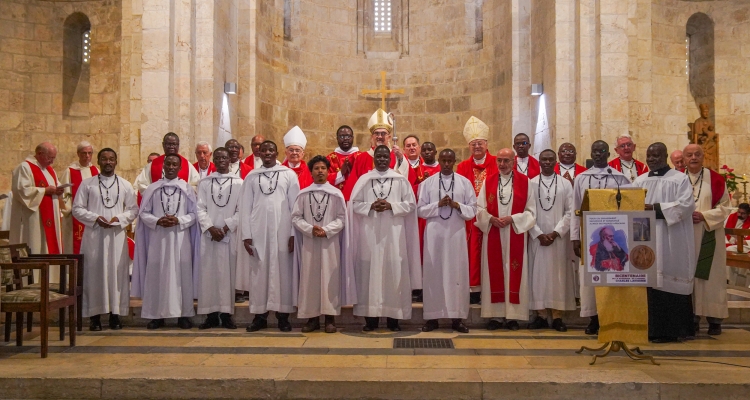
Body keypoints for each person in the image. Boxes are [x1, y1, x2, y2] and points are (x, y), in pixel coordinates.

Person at [349, 145, 421, 332]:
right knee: (368, 274)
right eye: (378, 156)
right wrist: (370, 206)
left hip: (394, 236)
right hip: (369, 236)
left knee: (394, 273)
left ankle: (393, 320)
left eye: (384, 157)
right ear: (374, 159)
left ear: (390, 159)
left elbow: (411, 205)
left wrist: (392, 206)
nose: (381, 159)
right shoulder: (365, 180)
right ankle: (370, 320)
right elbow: (354, 205)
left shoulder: (400, 181)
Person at [633, 142, 696, 343]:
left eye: (656, 156)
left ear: (665, 156)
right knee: (649, 280)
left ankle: (673, 330)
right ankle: (650, 329)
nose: (651, 159)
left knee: (669, 279)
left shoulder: (679, 179)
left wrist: (655, 209)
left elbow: (686, 206)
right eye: (649, 156)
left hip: (672, 239)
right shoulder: (639, 181)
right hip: (646, 238)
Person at [72, 148, 138, 331]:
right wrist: (95, 219)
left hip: (116, 236)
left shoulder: (125, 184)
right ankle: (94, 317)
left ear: (116, 162)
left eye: (111, 159)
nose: (108, 162)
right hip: (94, 237)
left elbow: (133, 209)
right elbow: (77, 208)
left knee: (116, 275)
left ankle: (115, 315)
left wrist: (119, 219)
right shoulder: (88, 184)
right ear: (98, 162)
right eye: (104, 159)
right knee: (94, 275)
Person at [132, 154, 200, 329]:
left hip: (180, 239)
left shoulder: (187, 189)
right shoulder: (152, 189)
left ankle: (183, 315)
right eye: (168, 164)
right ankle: (156, 315)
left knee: (181, 276)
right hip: (158, 240)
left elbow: (194, 214)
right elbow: (143, 213)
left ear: (180, 168)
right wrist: (157, 221)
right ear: (163, 167)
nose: (170, 167)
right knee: (157, 275)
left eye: (174, 165)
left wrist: (179, 220)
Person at [570, 140, 631, 335]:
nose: (598, 154)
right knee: (591, 276)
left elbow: (629, 206)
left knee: (611, 274)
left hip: (613, 236)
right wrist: (575, 237)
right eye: (595, 151)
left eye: (602, 151)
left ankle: (611, 315)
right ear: (591, 153)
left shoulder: (620, 178)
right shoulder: (581, 178)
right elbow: (575, 209)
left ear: (608, 153)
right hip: (590, 235)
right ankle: (593, 318)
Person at [240, 141, 300, 332]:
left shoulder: (289, 175)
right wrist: (246, 235)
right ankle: (260, 316)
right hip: (258, 231)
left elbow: (295, 206)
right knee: (259, 271)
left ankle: (283, 316)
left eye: (270, 150)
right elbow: (244, 207)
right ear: (259, 153)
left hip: (283, 231)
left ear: (276, 153)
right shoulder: (251, 176)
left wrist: (293, 233)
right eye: (264, 150)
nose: (267, 153)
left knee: (282, 271)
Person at [292, 156, 355, 333]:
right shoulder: (303, 194)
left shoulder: (336, 194)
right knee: (310, 279)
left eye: (323, 168)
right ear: (311, 172)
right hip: (310, 243)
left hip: (330, 243)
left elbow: (342, 218)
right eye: (316, 168)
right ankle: (311, 319)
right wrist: (310, 229)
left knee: (330, 279)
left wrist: (326, 230)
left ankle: (330, 318)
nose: (320, 171)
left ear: (328, 171)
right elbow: (296, 217)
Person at [476, 148, 536, 330]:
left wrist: (513, 219)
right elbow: (479, 209)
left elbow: (532, 212)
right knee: (494, 270)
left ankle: (513, 317)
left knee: (514, 270)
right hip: (494, 233)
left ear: (513, 161)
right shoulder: (489, 181)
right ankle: (495, 316)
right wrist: (490, 219)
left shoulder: (526, 183)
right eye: (499, 160)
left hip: (514, 233)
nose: (502, 164)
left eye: (506, 161)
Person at [418, 149, 476, 333]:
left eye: (450, 161)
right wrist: (438, 205)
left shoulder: (464, 183)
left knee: (456, 275)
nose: (446, 164)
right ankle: (432, 317)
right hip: (434, 236)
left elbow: (473, 210)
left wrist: (456, 205)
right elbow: (420, 210)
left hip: (455, 236)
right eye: (443, 160)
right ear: (439, 160)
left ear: (455, 161)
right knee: (434, 274)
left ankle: (456, 318)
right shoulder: (427, 183)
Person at [683, 144, 730, 336]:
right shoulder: (676, 179)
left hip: (709, 234)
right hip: (684, 235)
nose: (693, 157)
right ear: (684, 159)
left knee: (711, 277)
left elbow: (726, 207)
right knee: (689, 276)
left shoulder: (716, 180)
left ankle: (714, 319)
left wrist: (705, 216)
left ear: (703, 157)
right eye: (689, 155)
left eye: (697, 154)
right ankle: (691, 317)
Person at [528, 149, 575, 332]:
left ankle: (557, 316)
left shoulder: (565, 184)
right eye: (543, 160)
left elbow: (570, 212)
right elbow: (527, 212)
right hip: (537, 239)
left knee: (558, 276)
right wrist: (539, 233)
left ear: (555, 161)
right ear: (539, 162)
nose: (547, 162)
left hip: (558, 240)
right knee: (538, 276)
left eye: (550, 160)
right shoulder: (531, 183)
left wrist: (556, 233)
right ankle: (540, 315)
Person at [195, 148, 242, 330]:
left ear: (230, 159)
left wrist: (225, 227)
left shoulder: (239, 183)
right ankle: (211, 315)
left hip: (229, 235)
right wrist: (210, 227)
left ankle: (226, 315)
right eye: (218, 158)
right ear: (213, 160)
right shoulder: (205, 182)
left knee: (228, 276)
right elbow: (200, 208)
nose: (221, 160)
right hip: (209, 236)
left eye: (225, 157)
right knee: (209, 275)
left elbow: (242, 209)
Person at [456, 116, 498, 304]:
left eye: (480, 143)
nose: (477, 147)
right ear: (469, 146)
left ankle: (491, 289)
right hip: (470, 219)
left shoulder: (498, 162)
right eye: (473, 144)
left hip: (492, 217)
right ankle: (474, 290)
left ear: (486, 143)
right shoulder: (463, 166)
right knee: (472, 253)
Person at [342, 109, 414, 199]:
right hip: (368, 202)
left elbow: (409, 180)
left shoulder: (397, 156)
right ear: (372, 136)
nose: (379, 136)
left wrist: (401, 159)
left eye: (383, 133)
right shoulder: (362, 158)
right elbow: (353, 186)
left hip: (392, 201)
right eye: (376, 133)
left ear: (389, 137)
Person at [10, 142, 64, 255]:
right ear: (40, 154)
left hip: (51, 217)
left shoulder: (50, 170)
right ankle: (35, 272)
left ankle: (50, 272)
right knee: (35, 244)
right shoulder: (25, 167)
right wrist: (44, 190)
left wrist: (59, 191)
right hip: (33, 218)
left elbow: (55, 185)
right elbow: (21, 190)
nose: (52, 162)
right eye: (50, 158)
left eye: (54, 158)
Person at [60, 141, 99, 254]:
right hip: (74, 216)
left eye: (89, 153)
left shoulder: (95, 170)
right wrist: (69, 209)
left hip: (92, 215)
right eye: (84, 153)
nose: (87, 156)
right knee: (74, 247)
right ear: (78, 154)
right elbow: (64, 193)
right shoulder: (70, 171)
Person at [134, 132, 200, 196]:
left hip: (180, 204)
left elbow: (196, 184)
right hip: (159, 203)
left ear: (178, 145)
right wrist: (156, 195)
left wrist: (183, 194)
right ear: (163, 145)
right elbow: (142, 184)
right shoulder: (152, 165)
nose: (171, 147)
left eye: (174, 144)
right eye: (168, 144)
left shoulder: (187, 165)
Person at [326, 125, 361, 197]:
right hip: (335, 199)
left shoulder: (361, 157)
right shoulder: (330, 159)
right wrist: (341, 173)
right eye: (342, 136)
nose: (345, 139)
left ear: (353, 138)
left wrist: (353, 172)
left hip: (356, 198)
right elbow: (325, 179)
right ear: (337, 138)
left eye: (348, 136)